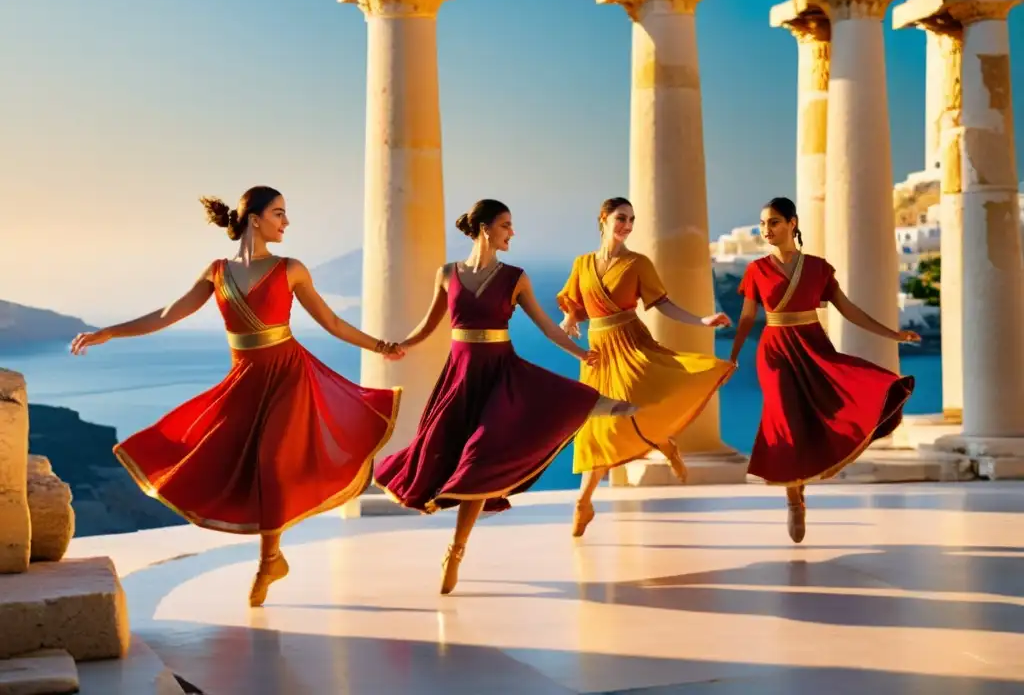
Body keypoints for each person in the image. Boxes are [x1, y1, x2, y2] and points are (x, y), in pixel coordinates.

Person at [70, 186, 404, 606]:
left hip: (288, 376)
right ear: (254, 219)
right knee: (221, 458)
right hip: (245, 379)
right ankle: (274, 557)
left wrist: (381, 347)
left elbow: (333, 322)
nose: (286, 222)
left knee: (272, 461)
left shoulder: (291, 269)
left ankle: (269, 561)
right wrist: (109, 331)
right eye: (279, 213)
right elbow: (167, 314)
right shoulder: (216, 272)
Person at [373, 199, 637, 595]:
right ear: (484, 229)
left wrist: (580, 353)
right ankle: (593, 406)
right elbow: (428, 326)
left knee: (481, 458)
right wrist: (397, 345)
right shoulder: (447, 275)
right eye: (505, 225)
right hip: (460, 379)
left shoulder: (516, 277)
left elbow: (547, 327)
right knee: (443, 454)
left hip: (500, 375)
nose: (512, 232)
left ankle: (456, 551)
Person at [729, 196, 919, 542]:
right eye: (762, 224)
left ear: (792, 223)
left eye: (773, 222)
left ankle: (800, 486)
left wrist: (894, 335)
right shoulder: (756, 270)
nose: (766, 230)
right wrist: (733, 357)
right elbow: (746, 318)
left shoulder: (818, 268)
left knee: (825, 411)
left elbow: (849, 310)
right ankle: (793, 499)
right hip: (774, 350)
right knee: (784, 422)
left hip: (813, 345)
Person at [557, 197, 737, 537]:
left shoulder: (638, 264)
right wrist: (568, 321)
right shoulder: (582, 264)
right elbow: (578, 304)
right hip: (598, 353)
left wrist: (702, 319)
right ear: (603, 219)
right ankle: (585, 501)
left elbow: (662, 305)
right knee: (597, 426)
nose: (627, 225)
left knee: (648, 399)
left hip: (632, 344)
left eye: (632, 220)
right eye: (621, 218)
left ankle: (663, 441)